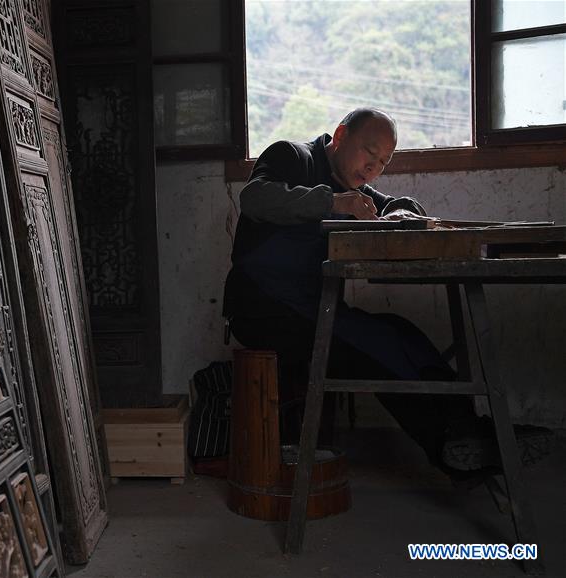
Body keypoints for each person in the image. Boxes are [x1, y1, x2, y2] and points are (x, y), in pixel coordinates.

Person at [223, 108, 550, 483]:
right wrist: (331, 201)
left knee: (401, 332)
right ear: (341, 135)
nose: (372, 168)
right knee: (373, 348)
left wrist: (399, 214)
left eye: (383, 162)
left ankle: (468, 429)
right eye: (369, 152)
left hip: (314, 309)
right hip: (263, 311)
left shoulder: (357, 189)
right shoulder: (292, 157)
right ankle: (449, 448)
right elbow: (255, 198)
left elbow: (397, 203)